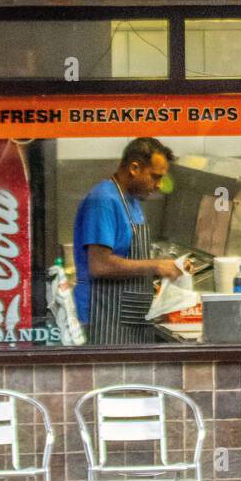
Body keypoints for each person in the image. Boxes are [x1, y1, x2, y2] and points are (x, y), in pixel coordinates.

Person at [73, 136, 184, 345]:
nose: (159, 185)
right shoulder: (104, 200)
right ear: (134, 168)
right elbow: (100, 265)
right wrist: (155, 266)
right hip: (102, 319)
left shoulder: (130, 200)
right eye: (155, 176)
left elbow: (126, 254)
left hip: (128, 321)